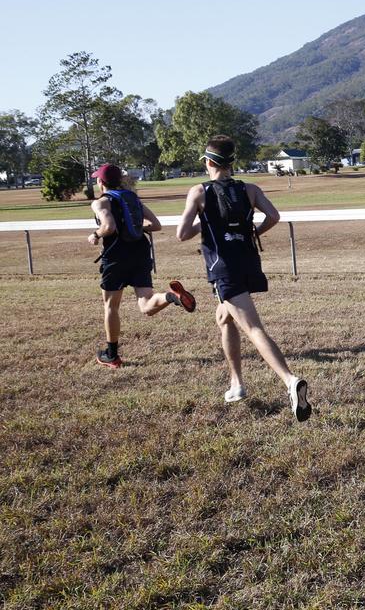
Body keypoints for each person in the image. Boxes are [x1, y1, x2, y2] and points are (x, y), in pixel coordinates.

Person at [176, 135, 312, 422]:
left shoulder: (199, 192)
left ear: (208, 161)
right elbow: (273, 216)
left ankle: (290, 381)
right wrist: (252, 233)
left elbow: (182, 233)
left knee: (252, 328)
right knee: (224, 318)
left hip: (223, 269)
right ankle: (236, 384)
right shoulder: (249, 189)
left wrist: (208, 221)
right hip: (249, 263)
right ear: (231, 162)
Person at [88, 163, 195, 368]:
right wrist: (136, 228)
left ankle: (111, 355)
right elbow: (156, 225)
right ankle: (171, 296)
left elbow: (108, 226)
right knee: (146, 305)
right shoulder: (132, 198)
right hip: (140, 252)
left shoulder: (101, 202)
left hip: (116, 256)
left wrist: (95, 234)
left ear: (101, 182)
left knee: (111, 306)